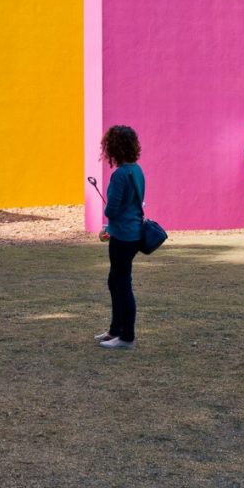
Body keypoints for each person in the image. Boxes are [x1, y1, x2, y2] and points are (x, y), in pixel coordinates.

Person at [96, 125, 145, 351]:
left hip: (123, 236)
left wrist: (109, 218)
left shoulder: (120, 174)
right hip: (133, 232)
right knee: (115, 281)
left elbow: (112, 210)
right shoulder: (137, 170)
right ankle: (115, 330)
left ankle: (126, 337)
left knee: (122, 284)